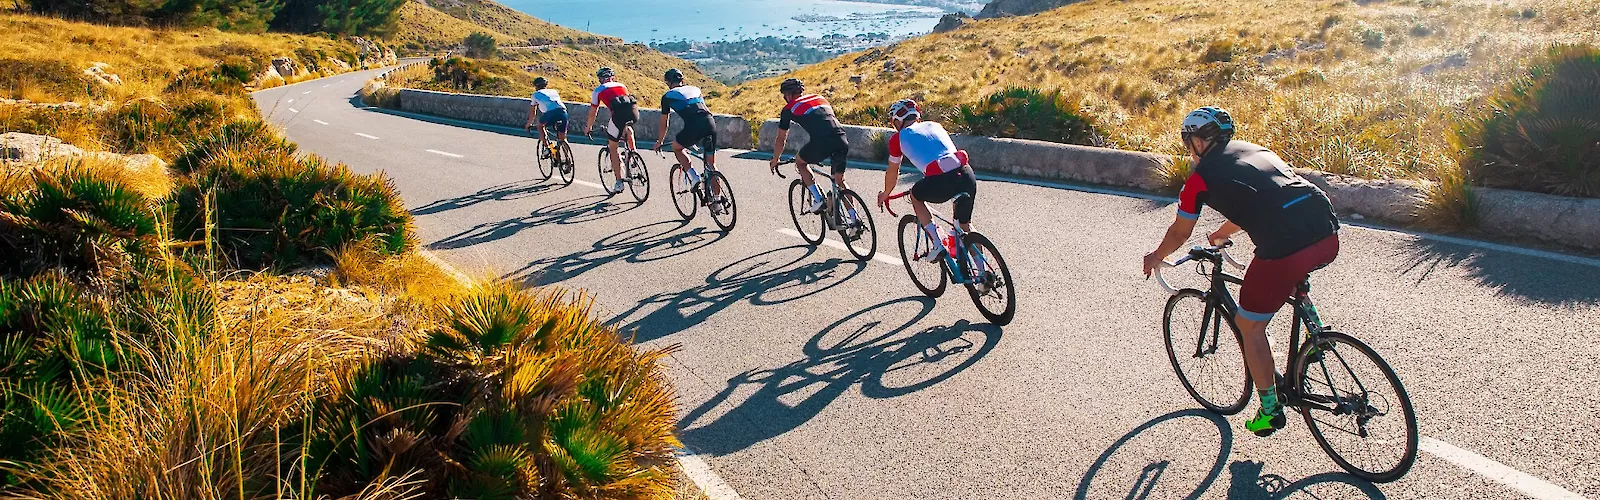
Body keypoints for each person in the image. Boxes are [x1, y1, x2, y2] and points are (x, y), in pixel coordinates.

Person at [1141, 106, 1341, 437]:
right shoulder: (1255, 150)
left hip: (1286, 245)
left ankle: (1270, 410)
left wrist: (1156, 255)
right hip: (1326, 230)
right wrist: (1222, 234)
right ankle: (1317, 336)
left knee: (1249, 325)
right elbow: (1263, 198)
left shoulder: (1199, 179)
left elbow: (1180, 232)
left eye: (1188, 142)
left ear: (1197, 142)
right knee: (1289, 276)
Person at [875, 99, 976, 262]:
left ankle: (937, 243)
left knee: (915, 196)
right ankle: (982, 270)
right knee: (965, 225)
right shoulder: (935, 125)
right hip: (965, 173)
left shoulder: (897, 139)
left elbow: (893, 172)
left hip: (940, 179)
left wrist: (886, 193)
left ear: (897, 121)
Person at [767, 78, 850, 214]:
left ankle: (818, 199)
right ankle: (854, 219)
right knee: (839, 182)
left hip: (822, 142)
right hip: (841, 138)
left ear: (789, 95)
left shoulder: (788, 109)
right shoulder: (819, 98)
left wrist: (775, 159)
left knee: (800, 162)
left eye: (784, 95)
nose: (784, 98)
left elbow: (781, 138)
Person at [653, 68, 726, 211]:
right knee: (711, 165)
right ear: (682, 80)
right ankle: (718, 201)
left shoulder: (667, 96)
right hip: (710, 123)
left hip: (694, 126)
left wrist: (659, 141)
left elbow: (664, 122)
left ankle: (693, 177)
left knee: (677, 147)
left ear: (668, 83)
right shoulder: (695, 89)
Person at [584, 67, 638, 194]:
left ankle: (619, 182)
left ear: (600, 79)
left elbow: (593, 112)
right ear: (612, 77)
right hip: (634, 113)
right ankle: (633, 154)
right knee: (628, 129)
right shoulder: (622, 85)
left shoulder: (598, 90)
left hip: (618, 117)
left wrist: (588, 127)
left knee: (613, 147)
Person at [523, 77, 568, 156]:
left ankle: (547, 148)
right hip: (563, 111)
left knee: (540, 126)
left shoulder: (535, 94)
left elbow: (533, 111)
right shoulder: (554, 91)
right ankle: (567, 158)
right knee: (562, 138)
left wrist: (529, 123)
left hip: (550, 113)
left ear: (536, 86)